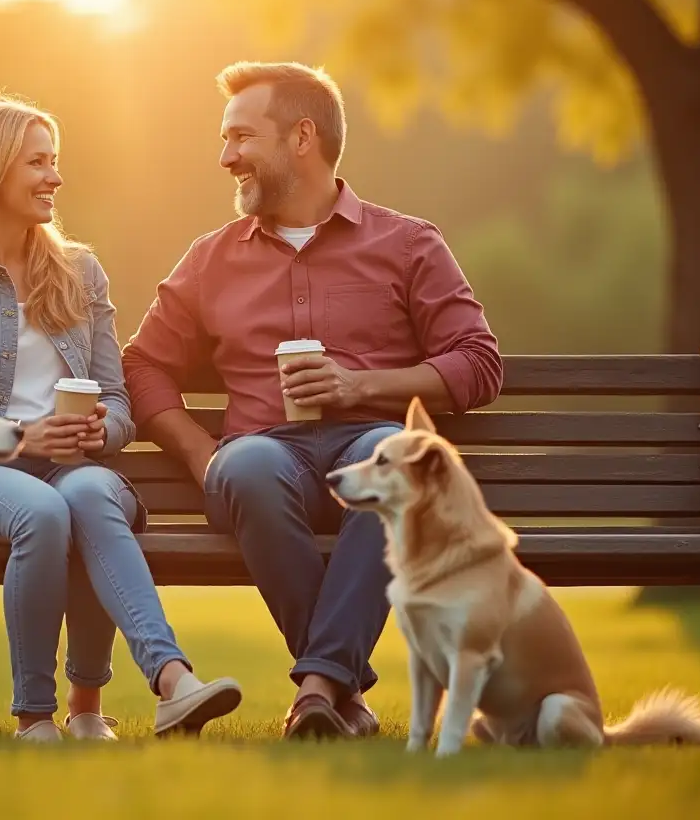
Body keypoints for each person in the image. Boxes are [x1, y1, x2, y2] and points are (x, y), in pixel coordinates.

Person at [121, 62, 503, 740]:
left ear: (302, 137)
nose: (225, 157)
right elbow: (144, 364)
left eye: (241, 137)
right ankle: (334, 688)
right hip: (262, 458)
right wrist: (202, 454)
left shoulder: (408, 243)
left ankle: (322, 689)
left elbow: (477, 362)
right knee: (246, 468)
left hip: (369, 448)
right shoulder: (211, 258)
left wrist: (361, 386)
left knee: (397, 467)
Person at [0, 97, 241, 742]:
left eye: (55, 162)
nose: (55, 177)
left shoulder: (79, 272)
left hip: (79, 464)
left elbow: (118, 395)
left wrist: (106, 429)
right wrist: (22, 439)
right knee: (42, 511)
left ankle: (167, 684)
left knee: (87, 497)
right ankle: (36, 717)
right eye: (38, 163)